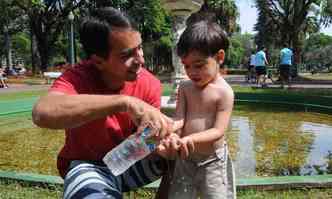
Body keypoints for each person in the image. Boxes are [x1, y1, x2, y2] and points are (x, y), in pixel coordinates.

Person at [32, 7, 175, 199]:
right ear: (98, 61)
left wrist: (164, 144)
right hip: (89, 166)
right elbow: (42, 113)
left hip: (128, 162)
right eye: (126, 55)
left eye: (139, 47)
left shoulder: (149, 83)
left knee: (184, 154)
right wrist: (124, 102)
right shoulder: (78, 77)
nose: (140, 59)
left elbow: (146, 143)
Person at [163, 21, 236, 199]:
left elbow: (218, 130)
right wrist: (173, 132)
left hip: (213, 161)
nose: (192, 72)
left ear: (219, 57)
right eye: (186, 66)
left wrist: (190, 139)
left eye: (199, 65)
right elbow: (180, 119)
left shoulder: (224, 92)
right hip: (186, 159)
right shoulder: (185, 88)